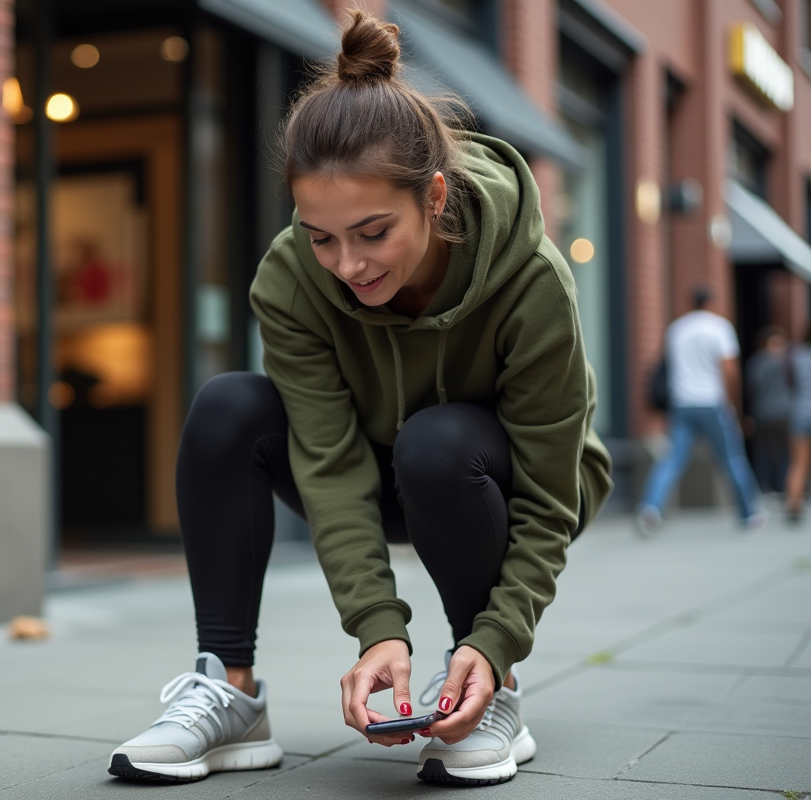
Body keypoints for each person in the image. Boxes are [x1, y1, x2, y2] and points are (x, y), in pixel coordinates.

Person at [108, 10, 612, 787]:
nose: (347, 264)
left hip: (495, 478)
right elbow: (330, 462)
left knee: (439, 442)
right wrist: (378, 632)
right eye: (322, 236)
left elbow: (550, 495)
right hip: (379, 468)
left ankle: (488, 685)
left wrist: (498, 638)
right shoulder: (291, 279)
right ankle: (230, 690)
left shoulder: (532, 279)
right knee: (228, 407)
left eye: (374, 233)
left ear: (435, 196)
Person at [635, 287, 763, 536]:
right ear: (712, 302)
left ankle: (650, 509)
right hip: (713, 402)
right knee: (732, 458)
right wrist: (735, 404)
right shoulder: (719, 327)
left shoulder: (677, 328)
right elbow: (730, 370)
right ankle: (749, 514)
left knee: (672, 460)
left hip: (682, 403)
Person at [744, 326, 790, 500]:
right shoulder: (788, 360)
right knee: (786, 451)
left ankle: (763, 486)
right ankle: (783, 487)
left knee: (764, 451)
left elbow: (751, 388)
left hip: (762, 412)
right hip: (786, 411)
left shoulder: (756, 362)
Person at [784, 326, 811, 524]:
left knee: (798, 463)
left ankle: (794, 505)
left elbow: (789, 383)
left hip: (800, 411)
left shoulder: (795, 355)